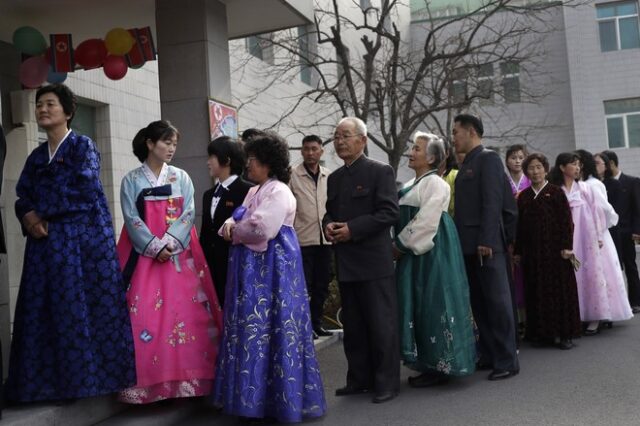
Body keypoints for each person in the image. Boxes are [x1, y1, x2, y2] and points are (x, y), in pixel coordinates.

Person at [6, 84, 136, 402]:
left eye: (50, 104)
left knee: (75, 310)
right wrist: (29, 216)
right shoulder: (37, 157)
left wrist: (41, 211)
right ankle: (42, 385)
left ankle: (81, 384)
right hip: (44, 246)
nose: (43, 109)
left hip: (80, 246)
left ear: (67, 111)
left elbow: (85, 189)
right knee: (41, 311)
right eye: (39, 105)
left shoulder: (83, 147)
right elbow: (22, 194)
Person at [213, 131, 326, 423]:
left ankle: (272, 401)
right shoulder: (255, 191)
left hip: (272, 272)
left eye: (252, 160)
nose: (248, 165)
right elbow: (239, 217)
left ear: (267, 162)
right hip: (256, 271)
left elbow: (261, 229)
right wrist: (231, 224)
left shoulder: (279, 191)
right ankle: (255, 400)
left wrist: (232, 231)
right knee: (255, 329)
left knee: (273, 327)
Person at [116, 120, 223, 404]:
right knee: (145, 317)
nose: (171, 149)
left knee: (185, 317)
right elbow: (131, 217)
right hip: (144, 257)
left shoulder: (181, 177)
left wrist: (170, 244)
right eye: (166, 142)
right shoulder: (131, 180)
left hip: (178, 257)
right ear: (150, 143)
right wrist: (153, 246)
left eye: (174, 144)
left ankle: (189, 380)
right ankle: (147, 385)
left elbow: (188, 213)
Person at [323, 117, 400, 403]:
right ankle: (359, 378)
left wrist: (352, 229)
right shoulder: (335, 178)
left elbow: (389, 213)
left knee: (381, 325)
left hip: (373, 262)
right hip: (346, 262)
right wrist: (328, 225)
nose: (339, 141)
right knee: (353, 327)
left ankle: (387, 382)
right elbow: (329, 213)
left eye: (345, 136)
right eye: (336, 136)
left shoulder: (380, 171)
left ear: (362, 140)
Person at [393, 131, 476, 387]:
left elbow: (427, 220)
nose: (411, 152)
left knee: (435, 301)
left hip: (433, 251)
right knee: (419, 302)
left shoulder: (436, 183)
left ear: (431, 158)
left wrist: (400, 245)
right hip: (416, 251)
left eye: (417, 149)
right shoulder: (414, 183)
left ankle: (442, 364)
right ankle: (428, 361)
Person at [452, 113, 519, 381]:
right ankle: (490, 354)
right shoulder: (468, 162)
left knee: (497, 303)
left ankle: (507, 360)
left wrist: (487, 240)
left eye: (456, 131)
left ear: (470, 132)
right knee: (480, 304)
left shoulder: (488, 159)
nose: (453, 137)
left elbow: (493, 202)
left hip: (485, 246)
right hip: (468, 246)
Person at [548, 153, 631, 335]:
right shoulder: (556, 190)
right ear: (562, 168)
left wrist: (598, 235)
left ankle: (594, 316)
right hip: (567, 236)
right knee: (571, 275)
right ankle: (576, 315)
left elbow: (597, 213)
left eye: (579, 165)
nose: (577, 168)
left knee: (589, 273)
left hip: (586, 236)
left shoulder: (586, 189)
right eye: (573, 164)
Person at [513, 153, 581, 349]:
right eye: (531, 168)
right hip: (532, 253)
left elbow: (567, 222)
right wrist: (517, 251)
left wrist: (567, 247)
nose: (535, 172)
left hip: (556, 251)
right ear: (527, 172)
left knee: (559, 291)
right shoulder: (523, 197)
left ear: (545, 169)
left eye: (538, 167)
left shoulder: (556, 192)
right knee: (536, 291)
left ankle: (565, 333)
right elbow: (520, 227)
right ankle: (543, 333)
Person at [575, 150, 633, 330]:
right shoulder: (577, 184)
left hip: (597, 234)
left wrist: (598, 232)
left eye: (577, 162)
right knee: (587, 274)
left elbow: (604, 210)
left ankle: (602, 314)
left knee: (601, 273)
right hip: (581, 235)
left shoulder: (593, 184)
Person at [200, 136, 253, 307]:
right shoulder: (208, 195)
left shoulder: (248, 190)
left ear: (226, 160)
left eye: (212, 157)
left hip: (237, 264)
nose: (208, 162)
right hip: (212, 268)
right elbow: (205, 232)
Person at [289, 134, 333, 339]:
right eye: (306, 149)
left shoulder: (329, 176)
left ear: (321, 150)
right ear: (301, 151)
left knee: (321, 286)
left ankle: (317, 323)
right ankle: (304, 327)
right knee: (303, 286)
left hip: (326, 240)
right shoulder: (292, 175)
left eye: (314, 149)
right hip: (302, 240)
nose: (310, 153)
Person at [601, 150, 640, 313]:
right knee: (614, 268)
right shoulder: (602, 184)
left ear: (610, 164)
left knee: (630, 266)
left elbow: (638, 208)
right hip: (610, 233)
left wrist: (637, 231)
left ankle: (636, 301)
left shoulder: (632, 181)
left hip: (627, 231)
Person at [504, 144, 531, 334]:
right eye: (513, 157)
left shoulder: (530, 180)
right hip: (510, 231)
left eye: (521, 157)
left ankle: (530, 318)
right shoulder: (503, 181)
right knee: (513, 275)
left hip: (527, 231)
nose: (517, 161)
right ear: (507, 161)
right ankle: (517, 320)